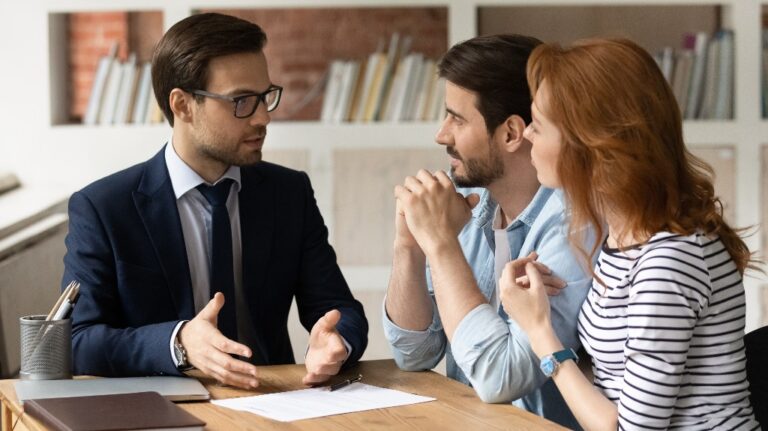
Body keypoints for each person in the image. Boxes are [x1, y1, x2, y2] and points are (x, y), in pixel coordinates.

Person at [62, 12, 368, 389]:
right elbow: (78, 341)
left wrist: (337, 341)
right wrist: (178, 342)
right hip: (161, 408)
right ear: (182, 105)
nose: (262, 118)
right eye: (241, 101)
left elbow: (339, 308)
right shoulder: (104, 208)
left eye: (264, 97)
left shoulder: (289, 193)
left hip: (274, 401)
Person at [499, 37, 760, 430]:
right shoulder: (623, 241)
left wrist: (539, 332)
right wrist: (546, 317)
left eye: (538, 124)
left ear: (592, 146)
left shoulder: (669, 261)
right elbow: (615, 383)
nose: (528, 136)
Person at [383, 34, 593, 428]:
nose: (441, 135)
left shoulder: (574, 226)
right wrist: (409, 246)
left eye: (457, 118)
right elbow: (414, 354)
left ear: (512, 133)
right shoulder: (470, 204)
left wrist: (442, 245)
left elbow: (502, 378)